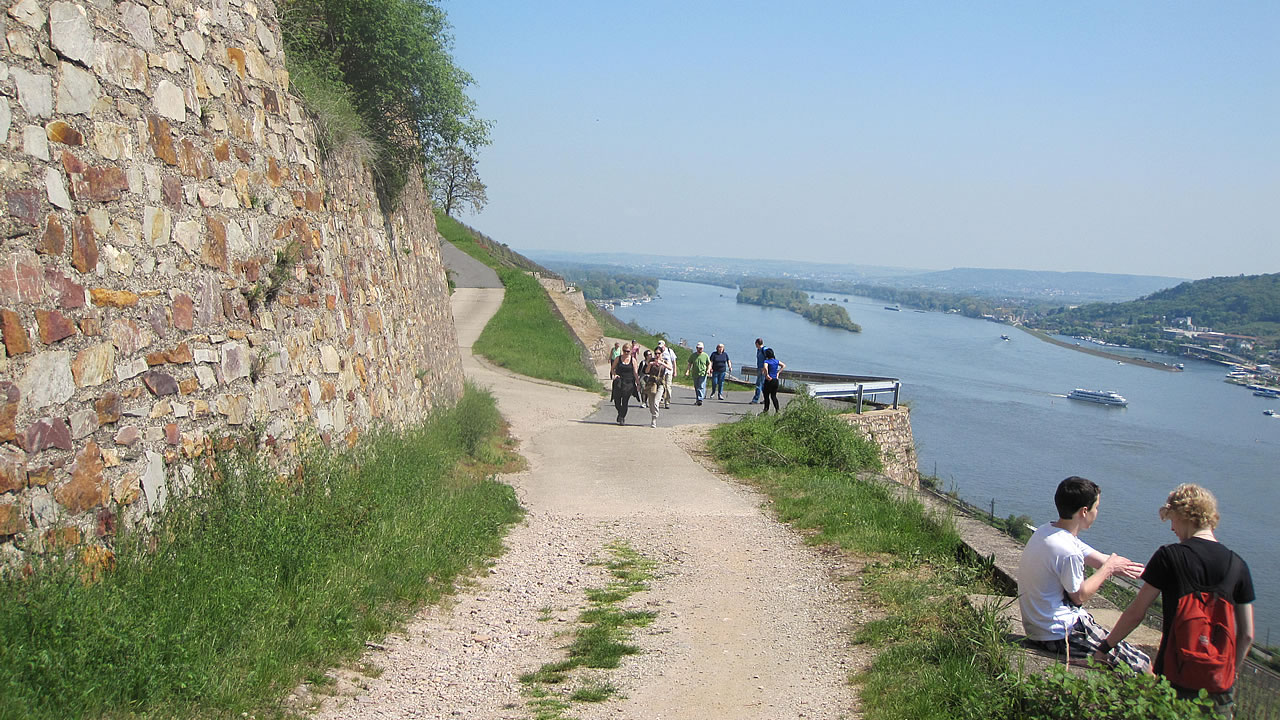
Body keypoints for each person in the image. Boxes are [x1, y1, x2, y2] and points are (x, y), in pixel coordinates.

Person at [1092, 484, 1254, 718]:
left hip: (1175, 677)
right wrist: (1231, 670)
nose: (1172, 528)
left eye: (1172, 520)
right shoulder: (1238, 565)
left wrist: (1105, 647)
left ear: (1183, 515)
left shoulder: (1169, 556)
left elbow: (1136, 613)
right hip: (1219, 685)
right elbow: (1247, 634)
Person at [1017, 476, 1150, 672]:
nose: (1097, 513)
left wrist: (1129, 567)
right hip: (1060, 633)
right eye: (1096, 507)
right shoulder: (1067, 550)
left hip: (1041, 627)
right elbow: (1079, 596)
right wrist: (1108, 569)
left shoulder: (1048, 531)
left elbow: (1093, 555)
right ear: (1084, 511)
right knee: (1142, 665)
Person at [609, 345, 639, 425]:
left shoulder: (633, 360)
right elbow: (612, 369)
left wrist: (638, 384)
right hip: (619, 381)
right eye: (625, 351)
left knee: (625, 401)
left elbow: (635, 373)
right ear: (622, 350)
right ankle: (620, 412)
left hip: (629, 383)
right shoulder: (618, 358)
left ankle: (622, 417)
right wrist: (614, 374)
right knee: (617, 400)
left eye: (628, 351)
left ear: (631, 351)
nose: (626, 353)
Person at [642, 347, 671, 428]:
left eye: (659, 353)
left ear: (662, 353)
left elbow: (670, 368)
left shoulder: (664, 361)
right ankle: (653, 413)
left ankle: (654, 419)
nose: (657, 355)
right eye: (656, 353)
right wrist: (650, 364)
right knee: (651, 402)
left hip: (660, 383)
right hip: (652, 383)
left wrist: (662, 364)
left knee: (656, 401)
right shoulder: (651, 361)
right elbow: (646, 371)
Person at [759, 347, 784, 414]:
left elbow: (765, 367)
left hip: (769, 380)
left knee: (766, 395)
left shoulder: (766, 361)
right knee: (773, 396)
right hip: (775, 380)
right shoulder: (776, 361)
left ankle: (766, 410)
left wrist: (766, 374)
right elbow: (783, 365)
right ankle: (777, 411)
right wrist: (778, 373)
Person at [658, 340, 677, 409]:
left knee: (668, 387)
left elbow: (674, 361)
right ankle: (660, 400)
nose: (661, 348)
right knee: (661, 386)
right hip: (661, 372)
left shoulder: (669, 351)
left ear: (664, 346)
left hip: (669, 371)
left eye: (662, 347)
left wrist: (675, 371)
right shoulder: (658, 352)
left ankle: (667, 402)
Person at [749, 338, 766, 404]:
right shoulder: (758, 350)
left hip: (762, 369)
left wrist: (764, 368)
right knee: (763, 385)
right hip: (759, 368)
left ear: (757, 343)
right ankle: (766, 398)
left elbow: (766, 359)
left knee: (759, 384)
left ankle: (755, 399)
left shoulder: (763, 350)